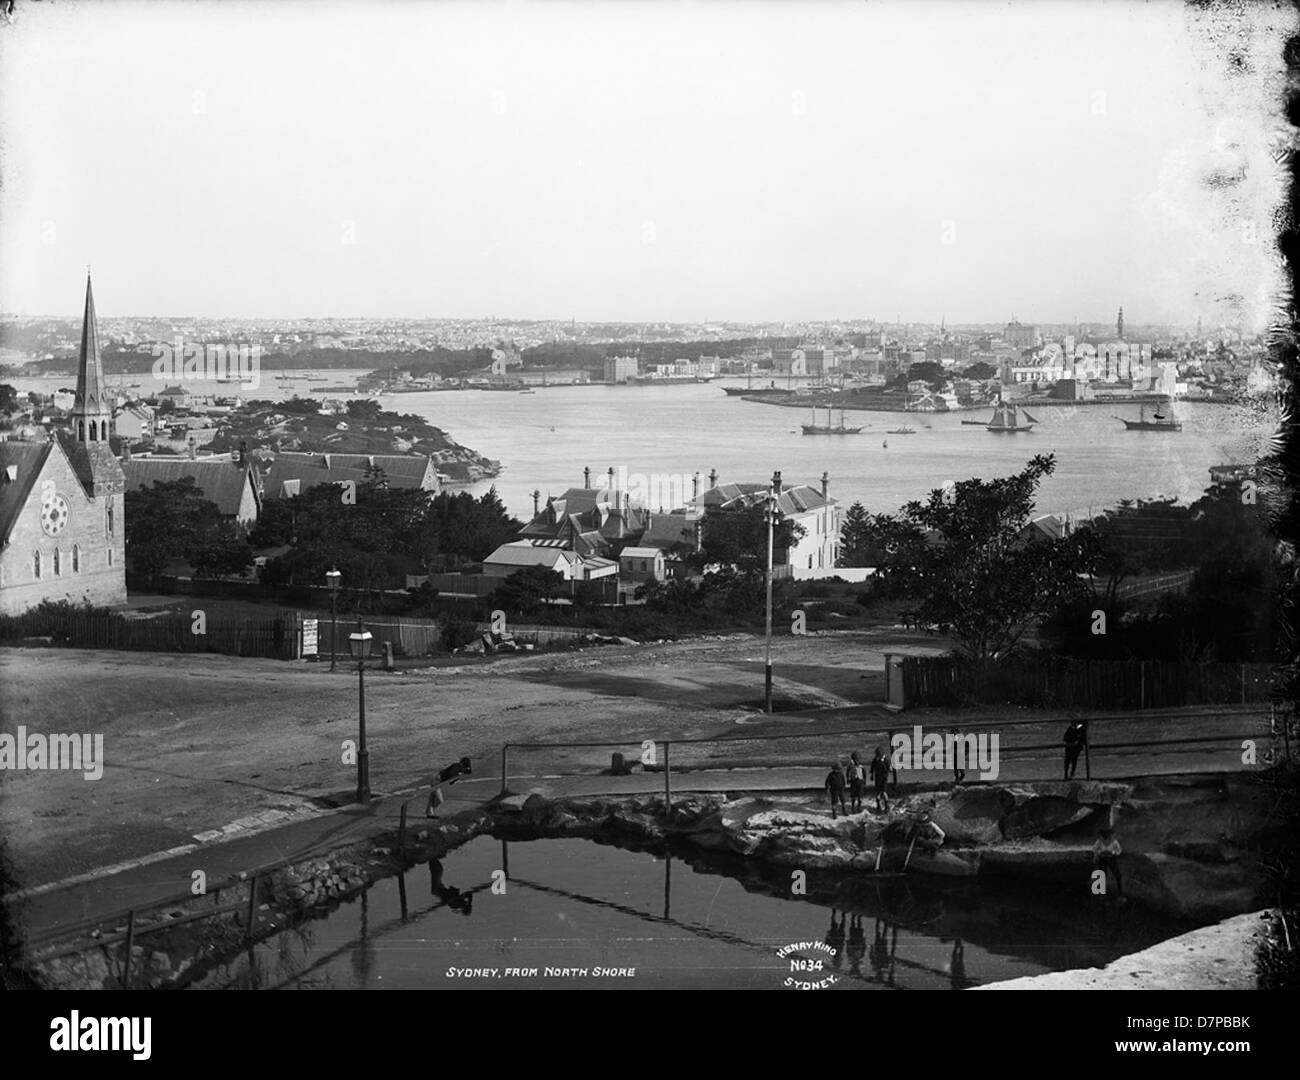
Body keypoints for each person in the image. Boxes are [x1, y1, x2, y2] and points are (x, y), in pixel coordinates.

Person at [1092, 826, 1123, 897]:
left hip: (1111, 859)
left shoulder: (1114, 841)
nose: (1106, 836)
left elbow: (1119, 850)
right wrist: (1099, 852)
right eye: (1104, 835)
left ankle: (1120, 892)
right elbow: (1094, 849)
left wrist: (1113, 852)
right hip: (1102, 859)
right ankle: (1101, 893)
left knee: (1117, 875)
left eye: (1107, 834)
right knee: (1102, 875)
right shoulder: (1099, 841)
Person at [870, 747, 891, 812]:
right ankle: (878, 806)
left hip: (883, 778)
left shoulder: (886, 760)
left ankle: (886, 805)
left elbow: (889, 769)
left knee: (884, 792)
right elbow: (872, 769)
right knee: (878, 793)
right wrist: (872, 776)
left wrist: (889, 770)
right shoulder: (875, 760)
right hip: (878, 778)